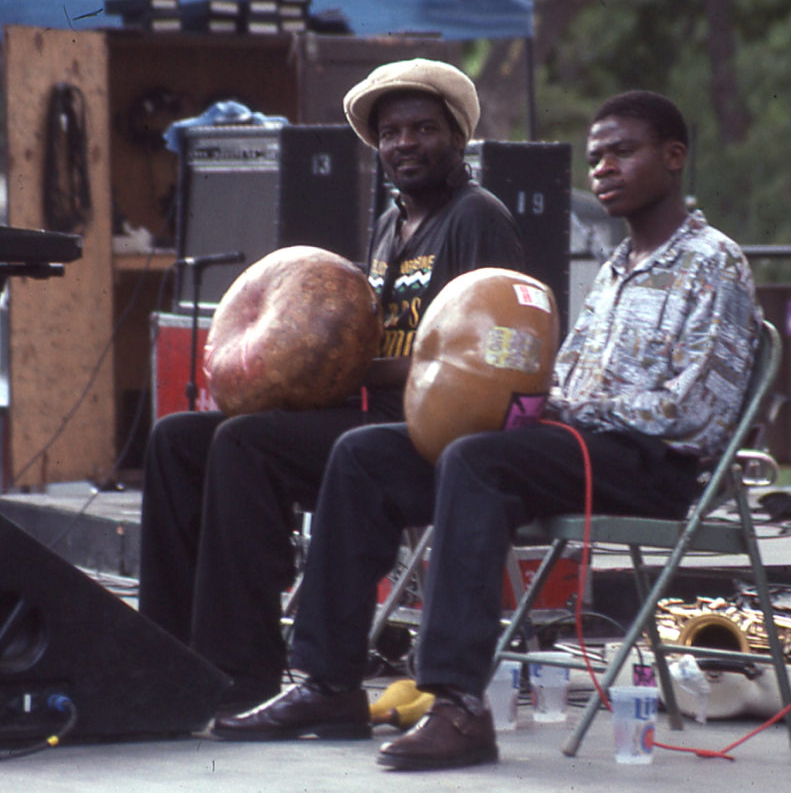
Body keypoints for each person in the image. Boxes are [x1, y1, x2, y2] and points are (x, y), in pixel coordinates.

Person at [213, 91, 761, 769]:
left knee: (477, 461)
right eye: (594, 158)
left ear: (674, 158)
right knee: (365, 454)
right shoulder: (616, 271)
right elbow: (567, 382)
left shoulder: (714, 262)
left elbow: (695, 415)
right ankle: (329, 683)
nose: (603, 169)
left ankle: (459, 705)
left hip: (650, 464)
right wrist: (526, 404)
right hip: (573, 445)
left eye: (623, 152)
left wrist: (563, 410)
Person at [138, 58, 525, 711]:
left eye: (423, 129)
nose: (405, 144)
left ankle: (239, 670)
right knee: (179, 440)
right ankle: (164, 656)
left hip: (424, 433)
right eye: (391, 133)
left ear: (457, 138)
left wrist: (351, 372)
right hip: (363, 413)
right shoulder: (387, 226)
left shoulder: (475, 219)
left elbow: (484, 355)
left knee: (247, 445)